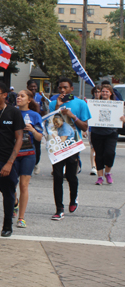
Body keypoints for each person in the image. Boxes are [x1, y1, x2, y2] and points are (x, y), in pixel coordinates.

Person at [49, 77, 91, 220]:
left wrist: (72, 116)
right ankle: (59, 208)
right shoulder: (54, 103)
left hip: (73, 145)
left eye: (65, 87)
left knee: (71, 176)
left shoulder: (80, 104)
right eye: (60, 87)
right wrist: (57, 108)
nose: (62, 90)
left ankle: (73, 199)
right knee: (58, 176)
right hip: (57, 145)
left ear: (71, 89)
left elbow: (85, 127)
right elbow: (51, 125)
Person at [0, 82, 24, 237]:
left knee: (8, 194)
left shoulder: (13, 113)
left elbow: (19, 138)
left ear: (4, 95)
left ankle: (7, 225)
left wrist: (9, 162)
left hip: (7, 160)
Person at [14, 90, 43, 228]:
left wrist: (32, 130)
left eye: (22, 96)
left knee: (23, 185)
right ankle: (14, 202)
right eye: (17, 96)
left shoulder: (34, 115)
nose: (19, 98)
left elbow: (39, 137)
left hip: (28, 153)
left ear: (29, 100)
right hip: (12, 154)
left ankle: (21, 217)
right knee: (10, 184)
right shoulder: (11, 112)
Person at [92, 84, 120, 185]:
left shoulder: (116, 104)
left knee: (110, 153)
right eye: (102, 91)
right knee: (99, 155)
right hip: (97, 132)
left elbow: (121, 117)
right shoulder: (94, 103)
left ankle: (108, 172)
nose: (104, 93)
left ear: (110, 93)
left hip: (111, 133)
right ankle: (100, 177)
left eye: (106, 91)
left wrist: (122, 119)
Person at [27, 80, 46, 175]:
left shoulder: (40, 97)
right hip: (27, 123)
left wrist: (44, 102)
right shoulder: (24, 96)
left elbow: (44, 111)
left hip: (37, 123)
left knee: (37, 146)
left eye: (35, 86)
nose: (33, 88)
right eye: (31, 86)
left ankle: (36, 163)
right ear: (27, 87)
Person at [85, 86, 101, 176]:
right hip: (92, 128)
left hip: (102, 128)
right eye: (95, 92)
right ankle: (93, 166)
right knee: (93, 147)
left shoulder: (105, 102)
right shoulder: (89, 103)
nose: (97, 94)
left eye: (98, 92)